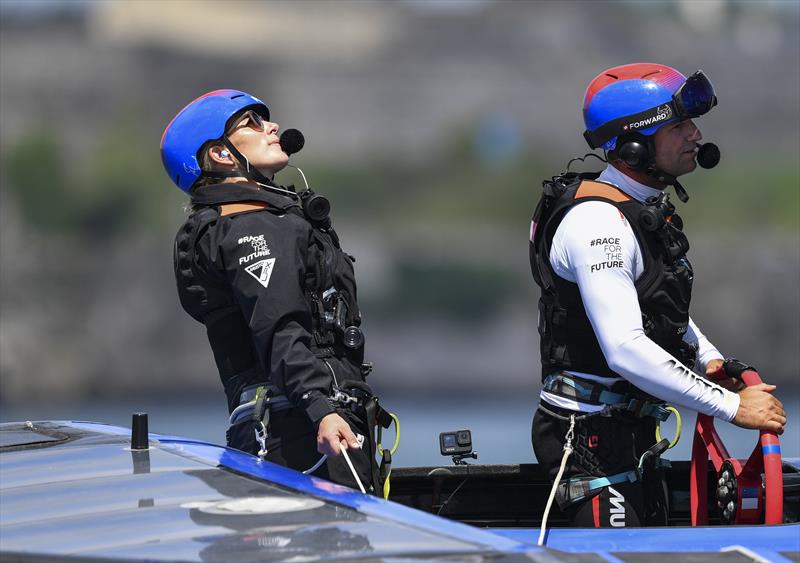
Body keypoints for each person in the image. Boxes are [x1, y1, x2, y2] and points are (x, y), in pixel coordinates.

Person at [529, 63, 787, 527]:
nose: (696, 134)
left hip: (634, 435)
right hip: (586, 444)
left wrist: (707, 357)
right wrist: (731, 407)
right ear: (633, 144)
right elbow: (625, 349)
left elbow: (656, 307)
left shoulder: (639, 209)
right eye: (680, 126)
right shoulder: (597, 223)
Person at [161, 89, 385, 493]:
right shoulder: (253, 226)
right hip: (302, 432)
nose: (272, 127)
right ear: (222, 155)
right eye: (251, 123)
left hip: (284, 427)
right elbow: (278, 327)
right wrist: (322, 410)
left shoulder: (245, 222)